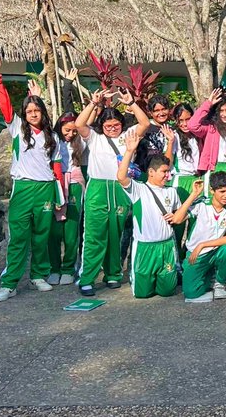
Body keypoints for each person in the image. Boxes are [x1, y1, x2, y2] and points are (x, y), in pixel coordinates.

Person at [0, 56, 67, 303]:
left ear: (43, 112)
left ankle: (38, 276)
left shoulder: (51, 135)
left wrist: (60, 195)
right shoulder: (17, 128)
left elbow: (57, 167)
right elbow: (5, 106)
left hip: (45, 189)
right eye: (29, 111)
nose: (33, 114)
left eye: (37, 110)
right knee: (19, 237)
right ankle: (9, 283)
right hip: (23, 189)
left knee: (41, 236)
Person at [73, 89, 140, 296]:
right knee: (94, 235)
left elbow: (145, 123)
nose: (112, 128)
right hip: (98, 189)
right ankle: (87, 278)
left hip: (120, 188)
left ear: (122, 124)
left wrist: (132, 103)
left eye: (116, 125)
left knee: (115, 233)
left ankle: (113, 274)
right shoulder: (95, 138)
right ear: (102, 126)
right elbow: (79, 124)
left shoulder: (128, 137)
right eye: (108, 125)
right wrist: (93, 103)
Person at [117, 134, 184, 299]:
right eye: (164, 172)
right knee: (143, 294)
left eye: (168, 172)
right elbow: (121, 177)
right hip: (145, 249)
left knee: (167, 291)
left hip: (167, 247)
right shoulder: (139, 190)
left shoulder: (171, 191)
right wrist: (129, 151)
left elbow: (181, 214)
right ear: (151, 172)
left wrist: (176, 216)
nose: (167, 176)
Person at [177, 173, 226, 302]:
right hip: (196, 254)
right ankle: (208, 276)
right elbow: (177, 219)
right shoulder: (201, 204)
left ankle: (219, 283)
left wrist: (203, 244)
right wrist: (194, 194)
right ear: (212, 190)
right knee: (190, 293)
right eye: (222, 191)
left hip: (214, 251)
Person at [49, 112, 84, 288]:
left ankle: (69, 268)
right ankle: (54, 268)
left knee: (71, 229)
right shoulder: (52, 140)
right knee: (54, 231)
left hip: (75, 184)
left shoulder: (81, 142)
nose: (70, 134)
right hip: (55, 184)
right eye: (67, 130)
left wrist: (95, 104)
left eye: (74, 131)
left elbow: (87, 121)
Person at [190, 88, 226, 189]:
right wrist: (208, 103)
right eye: (221, 111)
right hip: (215, 170)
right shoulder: (211, 128)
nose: (225, 114)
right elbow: (192, 125)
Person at [170, 102, 201, 253]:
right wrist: (169, 142)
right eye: (180, 120)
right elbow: (168, 161)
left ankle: (189, 256)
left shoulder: (199, 134)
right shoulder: (174, 136)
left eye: (187, 119)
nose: (184, 124)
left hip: (198, 181)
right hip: (180, 182)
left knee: (197, 222)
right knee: (178, 222)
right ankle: (176, 259)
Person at [129, 95, 174, 179]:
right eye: (156, 110)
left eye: (164, 109)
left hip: (161, 176)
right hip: (142, 173)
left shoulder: (172, 130)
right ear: (150, 112)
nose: (161, 113)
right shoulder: (144, 127)